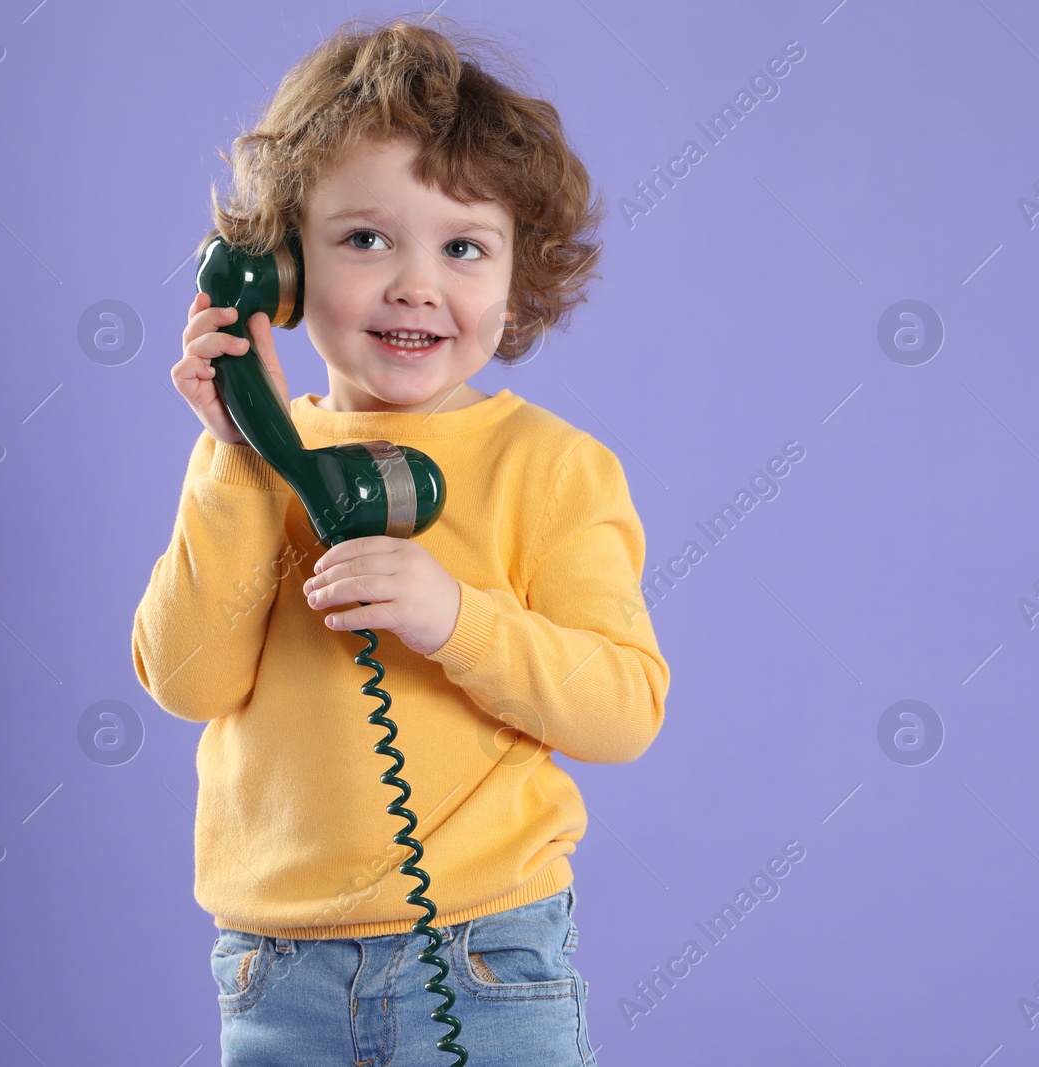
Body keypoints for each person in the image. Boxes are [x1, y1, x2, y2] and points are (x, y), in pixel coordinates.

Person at [130, 15, 668, 1065]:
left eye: (464, 246)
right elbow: (188, 681)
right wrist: (240, 451)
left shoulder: (550, 467)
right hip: (277, 970)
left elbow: (623, 708)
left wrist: (455, 618)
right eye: (366, 238)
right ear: (278, 269)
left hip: (484, 954)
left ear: (519, 276)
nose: (417, 284)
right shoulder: (254, 463)